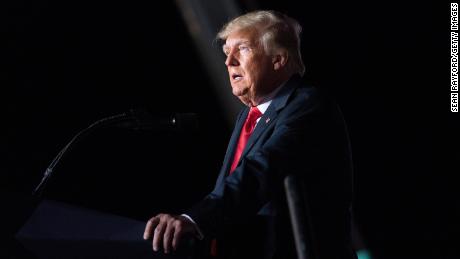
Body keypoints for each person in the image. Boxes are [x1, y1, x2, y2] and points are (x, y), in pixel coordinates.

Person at [144, 10, 356, 259]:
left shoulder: (308, 105)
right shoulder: (247, 118)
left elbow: (261, 170)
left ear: (278, 59)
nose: (228, 62)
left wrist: (196, 218)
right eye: (226, 53)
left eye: (242, 49)